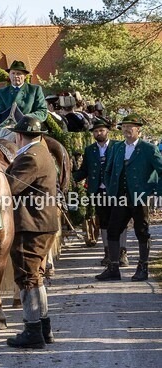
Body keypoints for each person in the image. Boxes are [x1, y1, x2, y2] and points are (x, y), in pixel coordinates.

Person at [5, 116, 59, 349]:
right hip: (42, 224)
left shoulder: (29, 157)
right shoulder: (41, 152)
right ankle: (43, 327)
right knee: (36, 276)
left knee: (27, 277)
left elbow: (10, 188)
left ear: (18, 136)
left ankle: (32, 330)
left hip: (31, 225)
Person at [97, 114, 162, 282]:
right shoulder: (117, 147)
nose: (126, 129)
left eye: (130, 126)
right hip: (120, 197)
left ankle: (143, 267)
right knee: (112, 230)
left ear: (138, 129)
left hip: (139, 197)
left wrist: (153, 190)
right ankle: (113, 268)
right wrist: (111, 189)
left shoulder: (148, 149)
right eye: (124, 126)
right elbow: (108, 170)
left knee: (142, 232)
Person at [73, 118, 128, 267]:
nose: (99, 133)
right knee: (103, 222)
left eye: (101, 130)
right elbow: (85, 170)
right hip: (99, 191)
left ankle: (122, 253)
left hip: (117, 191)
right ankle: (108, 253)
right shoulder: (90, 150)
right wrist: (72, 178)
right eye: (96, 131)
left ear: (107, 131)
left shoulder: (119, 146)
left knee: (120, 222)